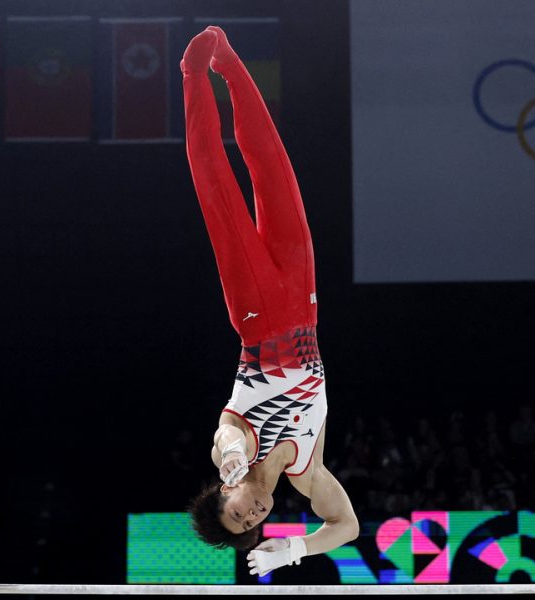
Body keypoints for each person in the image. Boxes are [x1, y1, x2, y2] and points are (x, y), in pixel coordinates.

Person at [180, 26, 359, 577]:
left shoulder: (236, 454)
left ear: (223, 492)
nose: (254, 515)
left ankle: (199, 75)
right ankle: (230, 63)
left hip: (257, 314)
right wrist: (300, 547)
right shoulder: (307, 472)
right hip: (303, 304)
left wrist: (234, 459)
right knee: (274, 165)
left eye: (238, 515)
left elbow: (226, 435)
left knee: (218, 183)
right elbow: (347, 525)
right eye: (253, 526)